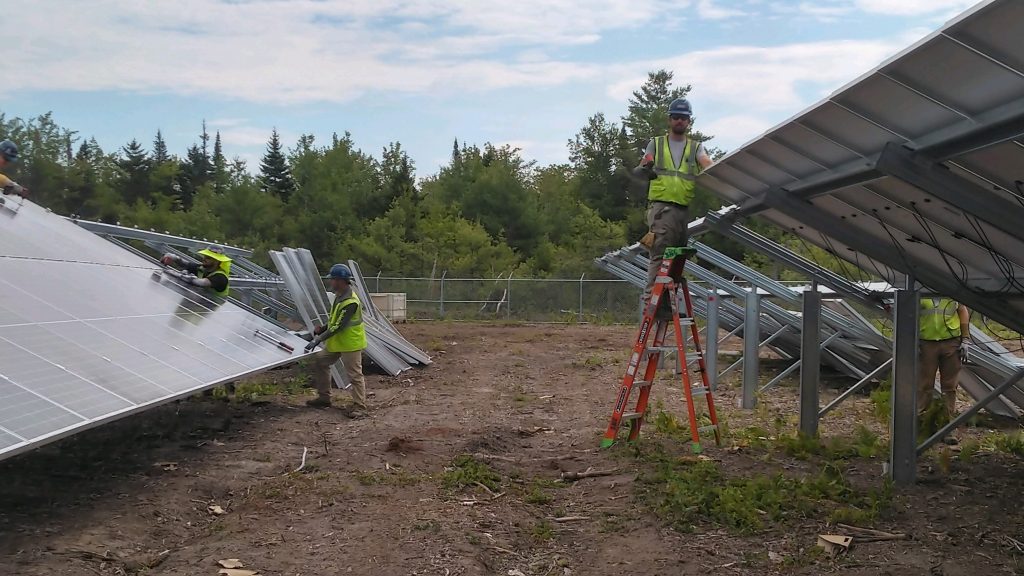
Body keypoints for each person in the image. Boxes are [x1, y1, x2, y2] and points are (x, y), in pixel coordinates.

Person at [634, 98, 713, 305]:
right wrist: (645, 169)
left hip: (682, 210)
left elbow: (708, 165)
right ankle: (653, 302)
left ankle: (667, 302)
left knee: (677, 258)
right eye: (676, 117)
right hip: (662, 209)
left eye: (683, 118)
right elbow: (644, 163)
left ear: (689, 121)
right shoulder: (657, 143)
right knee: (661, 254)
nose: (679, 121)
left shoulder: (695, 147)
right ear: (670, 120)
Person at [303, 263, 368, 416]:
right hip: (339, 342)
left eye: (333, 279)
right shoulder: (340, 296)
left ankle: (360, 407)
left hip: (351, 343)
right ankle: (324, 398)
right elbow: (334, 320)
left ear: (341, 280)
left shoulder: (351, 302)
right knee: (320, 361)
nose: (331, 282)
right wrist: (323, 328)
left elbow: (338, 326)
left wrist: (318, 339)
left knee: (354, 375)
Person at [918, 296, 970, 422]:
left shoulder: (951, 292)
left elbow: (962, 310)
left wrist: (965, 339)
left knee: (949, 386)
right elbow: (910, 314)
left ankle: (947, 425)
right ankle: (921, 423)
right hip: (926, 343)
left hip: (951, 342)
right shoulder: (920, 292)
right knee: (924, 385)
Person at [160, 246, 232, 296]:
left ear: (217, 261)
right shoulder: (202, 269)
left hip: (211, 310)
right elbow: (184, 263)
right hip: (198, 303)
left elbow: (200, 282)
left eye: (208, 258)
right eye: (205, 256)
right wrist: (171, 257)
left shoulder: (221, 277)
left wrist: (173, 273)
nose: (204, 259)